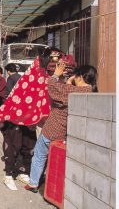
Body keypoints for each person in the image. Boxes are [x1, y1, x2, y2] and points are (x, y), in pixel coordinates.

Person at [25, 63, 98, 193]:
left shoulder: (72, 90)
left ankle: (33, 183)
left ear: (80, 77)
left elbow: (52, 87)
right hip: (67, 134)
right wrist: (69, 81)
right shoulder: (91, 92)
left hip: (53, 129)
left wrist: (56, 74)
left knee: (39, 155)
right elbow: (66, 95)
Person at [0, 63, 37, 191]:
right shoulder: (23, 79)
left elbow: (7, 96)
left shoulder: (12, 79)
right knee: (22, 144)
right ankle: (15, 174)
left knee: (20, 144)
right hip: (22, 116)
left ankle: (16, 173)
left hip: (22, 116)